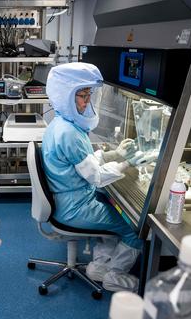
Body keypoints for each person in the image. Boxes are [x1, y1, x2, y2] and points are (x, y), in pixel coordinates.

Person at [41, 62, 154, 292]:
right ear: (65, 96)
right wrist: (127, 163)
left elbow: (85, 162)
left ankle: (98, 268)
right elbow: (97, 178)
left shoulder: (60, 123)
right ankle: (115, 276)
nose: (87, 102)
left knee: (112, 216)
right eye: (81, 96)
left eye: (88, 95)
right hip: (75, 208)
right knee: (134, 229)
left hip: (69, 200)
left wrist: (115, 153)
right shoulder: (70, 133)